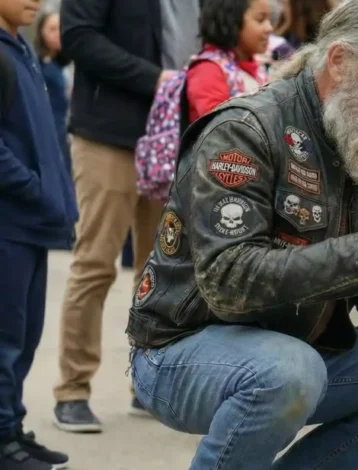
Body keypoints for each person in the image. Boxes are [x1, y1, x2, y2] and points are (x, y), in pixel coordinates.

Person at [127, 1, 358, 468]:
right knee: (290, 372)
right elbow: (228, 280)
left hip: (296, 354)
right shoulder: (245, 131)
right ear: (340, 61)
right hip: (181, 354)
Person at [53, 0, 201, 432]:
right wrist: (155, 79)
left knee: (162, 273)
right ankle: (73, 390)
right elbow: (78, 36)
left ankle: (149, 385)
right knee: (95, 264)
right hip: (107, 135)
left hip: (175, 137)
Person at [0, 0, 78, 467]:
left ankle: (12, 427)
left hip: (32, 223)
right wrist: (34, 188)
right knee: (4, 339)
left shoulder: (19, 50)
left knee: (24, 337)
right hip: (9, 222)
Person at [186, 0, 272, 124]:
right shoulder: (208, 70)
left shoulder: (258, 67)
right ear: (231, 20)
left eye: (269, 19)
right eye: (260, 19)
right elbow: (220, 128)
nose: (269, 28)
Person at [33, 11, 72, 182]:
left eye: (60, 29)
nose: (58, 34)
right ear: (41, 33)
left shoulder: (62, 65)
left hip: (65, 130)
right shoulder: (39, 66)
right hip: (51, 132)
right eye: (52, 29)